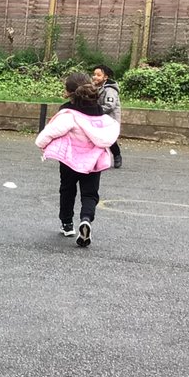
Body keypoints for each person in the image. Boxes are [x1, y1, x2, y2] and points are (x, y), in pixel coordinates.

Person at [35, 71, 120, 248]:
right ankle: (86, 220)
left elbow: (50, 132)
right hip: (93, 161)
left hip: (70, 160)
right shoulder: (98, 113)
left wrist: (42, 144)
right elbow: (110, 130)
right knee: (90, 194)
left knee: (67, 190)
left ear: (69, 91)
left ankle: (67, 223)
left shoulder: (69, 113)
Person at [91, 64, 123, 168]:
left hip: (110, 119)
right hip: (100, 118)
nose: (95, 77)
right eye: (94, 74)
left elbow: (110, 105)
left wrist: (96, 111)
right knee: (96, 138)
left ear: (105, 77)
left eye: (98, 75)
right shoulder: (95, 87)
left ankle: (117, 155)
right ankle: (96, 159)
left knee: (110, 140)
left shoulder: (110, 90)